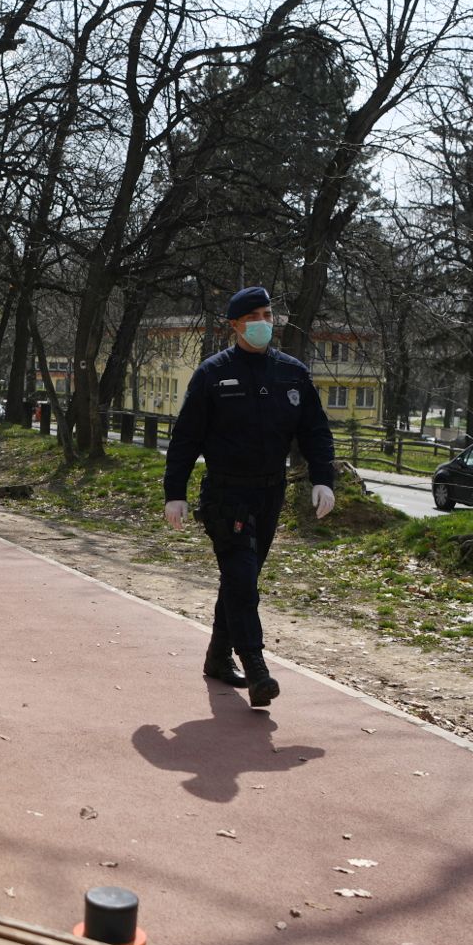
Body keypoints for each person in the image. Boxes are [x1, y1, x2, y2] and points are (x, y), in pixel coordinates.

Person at [161, 286, 336, 708]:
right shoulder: (213, 373)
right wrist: (175, 493)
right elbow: (186, 438)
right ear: (235, 325)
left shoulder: (292, 372)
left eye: (268, 315)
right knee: (242, 579)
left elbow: (315, 430)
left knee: (242, 579)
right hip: (226, 492)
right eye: (253, 317)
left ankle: (217, 656)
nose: (263, 323)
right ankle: (256, 667)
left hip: (270, 491)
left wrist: (323, 478)